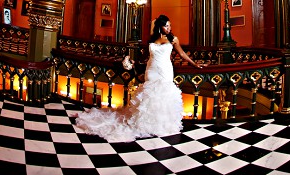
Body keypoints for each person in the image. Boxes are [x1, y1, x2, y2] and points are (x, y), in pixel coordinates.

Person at [74, 15, 204, 142]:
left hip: (165, 70)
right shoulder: (151, 40)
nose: (169, 28)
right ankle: (146, 123)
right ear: (160, 26)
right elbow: (146, 57)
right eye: (166, 26)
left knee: (163, 94)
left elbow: (181, 54)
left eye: (170, 25)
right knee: (150, 95)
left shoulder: (173, 39)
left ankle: (161, 124)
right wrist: (133, 62)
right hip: (152, 69)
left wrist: (194, 64)